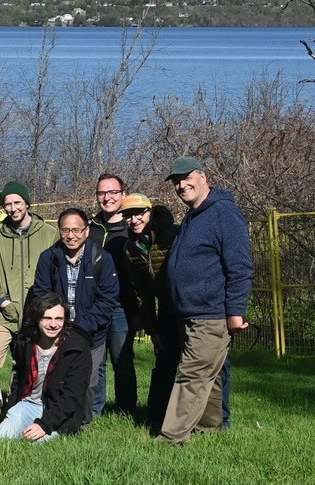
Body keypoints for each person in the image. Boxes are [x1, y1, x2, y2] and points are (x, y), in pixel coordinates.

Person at [160, 156, 253, 444]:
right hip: (188, 312)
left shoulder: (224, 213)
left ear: (203, 176)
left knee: (191, 374)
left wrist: (235, 311)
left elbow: (240, 265)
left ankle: (171, 437)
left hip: (211, 312)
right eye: (176, 181)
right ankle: (211, 429)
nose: (180, 185)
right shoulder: (193, 214)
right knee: (208, 376)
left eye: (186, 177)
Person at [32, 208, 120, 421]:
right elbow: (41, 293)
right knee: (53, 377)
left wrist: (82, 326)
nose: (70, 235)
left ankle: (83, 423)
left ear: (86, 231)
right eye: (65, 230)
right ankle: (50, 417)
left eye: (76, 230)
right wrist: (56, 324)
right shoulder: (49, 258)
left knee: (87, 381)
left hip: (91, 333)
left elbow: (108, 299)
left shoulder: (101, 258)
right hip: (56, 330)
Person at [0, 181, 56, 416]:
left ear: (27, 204)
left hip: (35, 314)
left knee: (24, 361)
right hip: (3, 312)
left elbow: (55, 271)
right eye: (8, 204)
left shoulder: (48, 234)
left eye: (17, 203)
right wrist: (1, 300)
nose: (13, 208)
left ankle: (15, 404)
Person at [0, 292, 93, 441]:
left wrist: (44, 425)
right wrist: (10, 410)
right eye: (47, 318)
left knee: (36, 446)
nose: (53, 324)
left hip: (59, 414)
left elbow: (73, 395)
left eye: (59, 319)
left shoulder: (78, 348)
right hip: (28, 404)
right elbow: (18, 380)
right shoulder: (25, 342)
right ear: (37, 319)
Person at [119, 193, 180, 431]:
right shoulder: (130, 248)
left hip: (186, 307)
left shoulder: (173, 233)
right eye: (128, 215)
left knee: (196, 366)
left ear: (150, 212)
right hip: (164, 311)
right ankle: (156, 417)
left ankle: (213, 420)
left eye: (138, 213)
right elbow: (142, 293)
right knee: (164, 363)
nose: (133, 219)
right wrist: (152, 329)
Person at [89, 173, 139, 417]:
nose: (107, 198)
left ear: (122, 194)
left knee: (123, 361)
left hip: (121, 306)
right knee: (96, 362)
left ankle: (127, 410)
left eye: (112, 193)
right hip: (94, 305)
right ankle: (95, 410)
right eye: (102, 193)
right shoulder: (91, 228)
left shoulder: (132, 228)